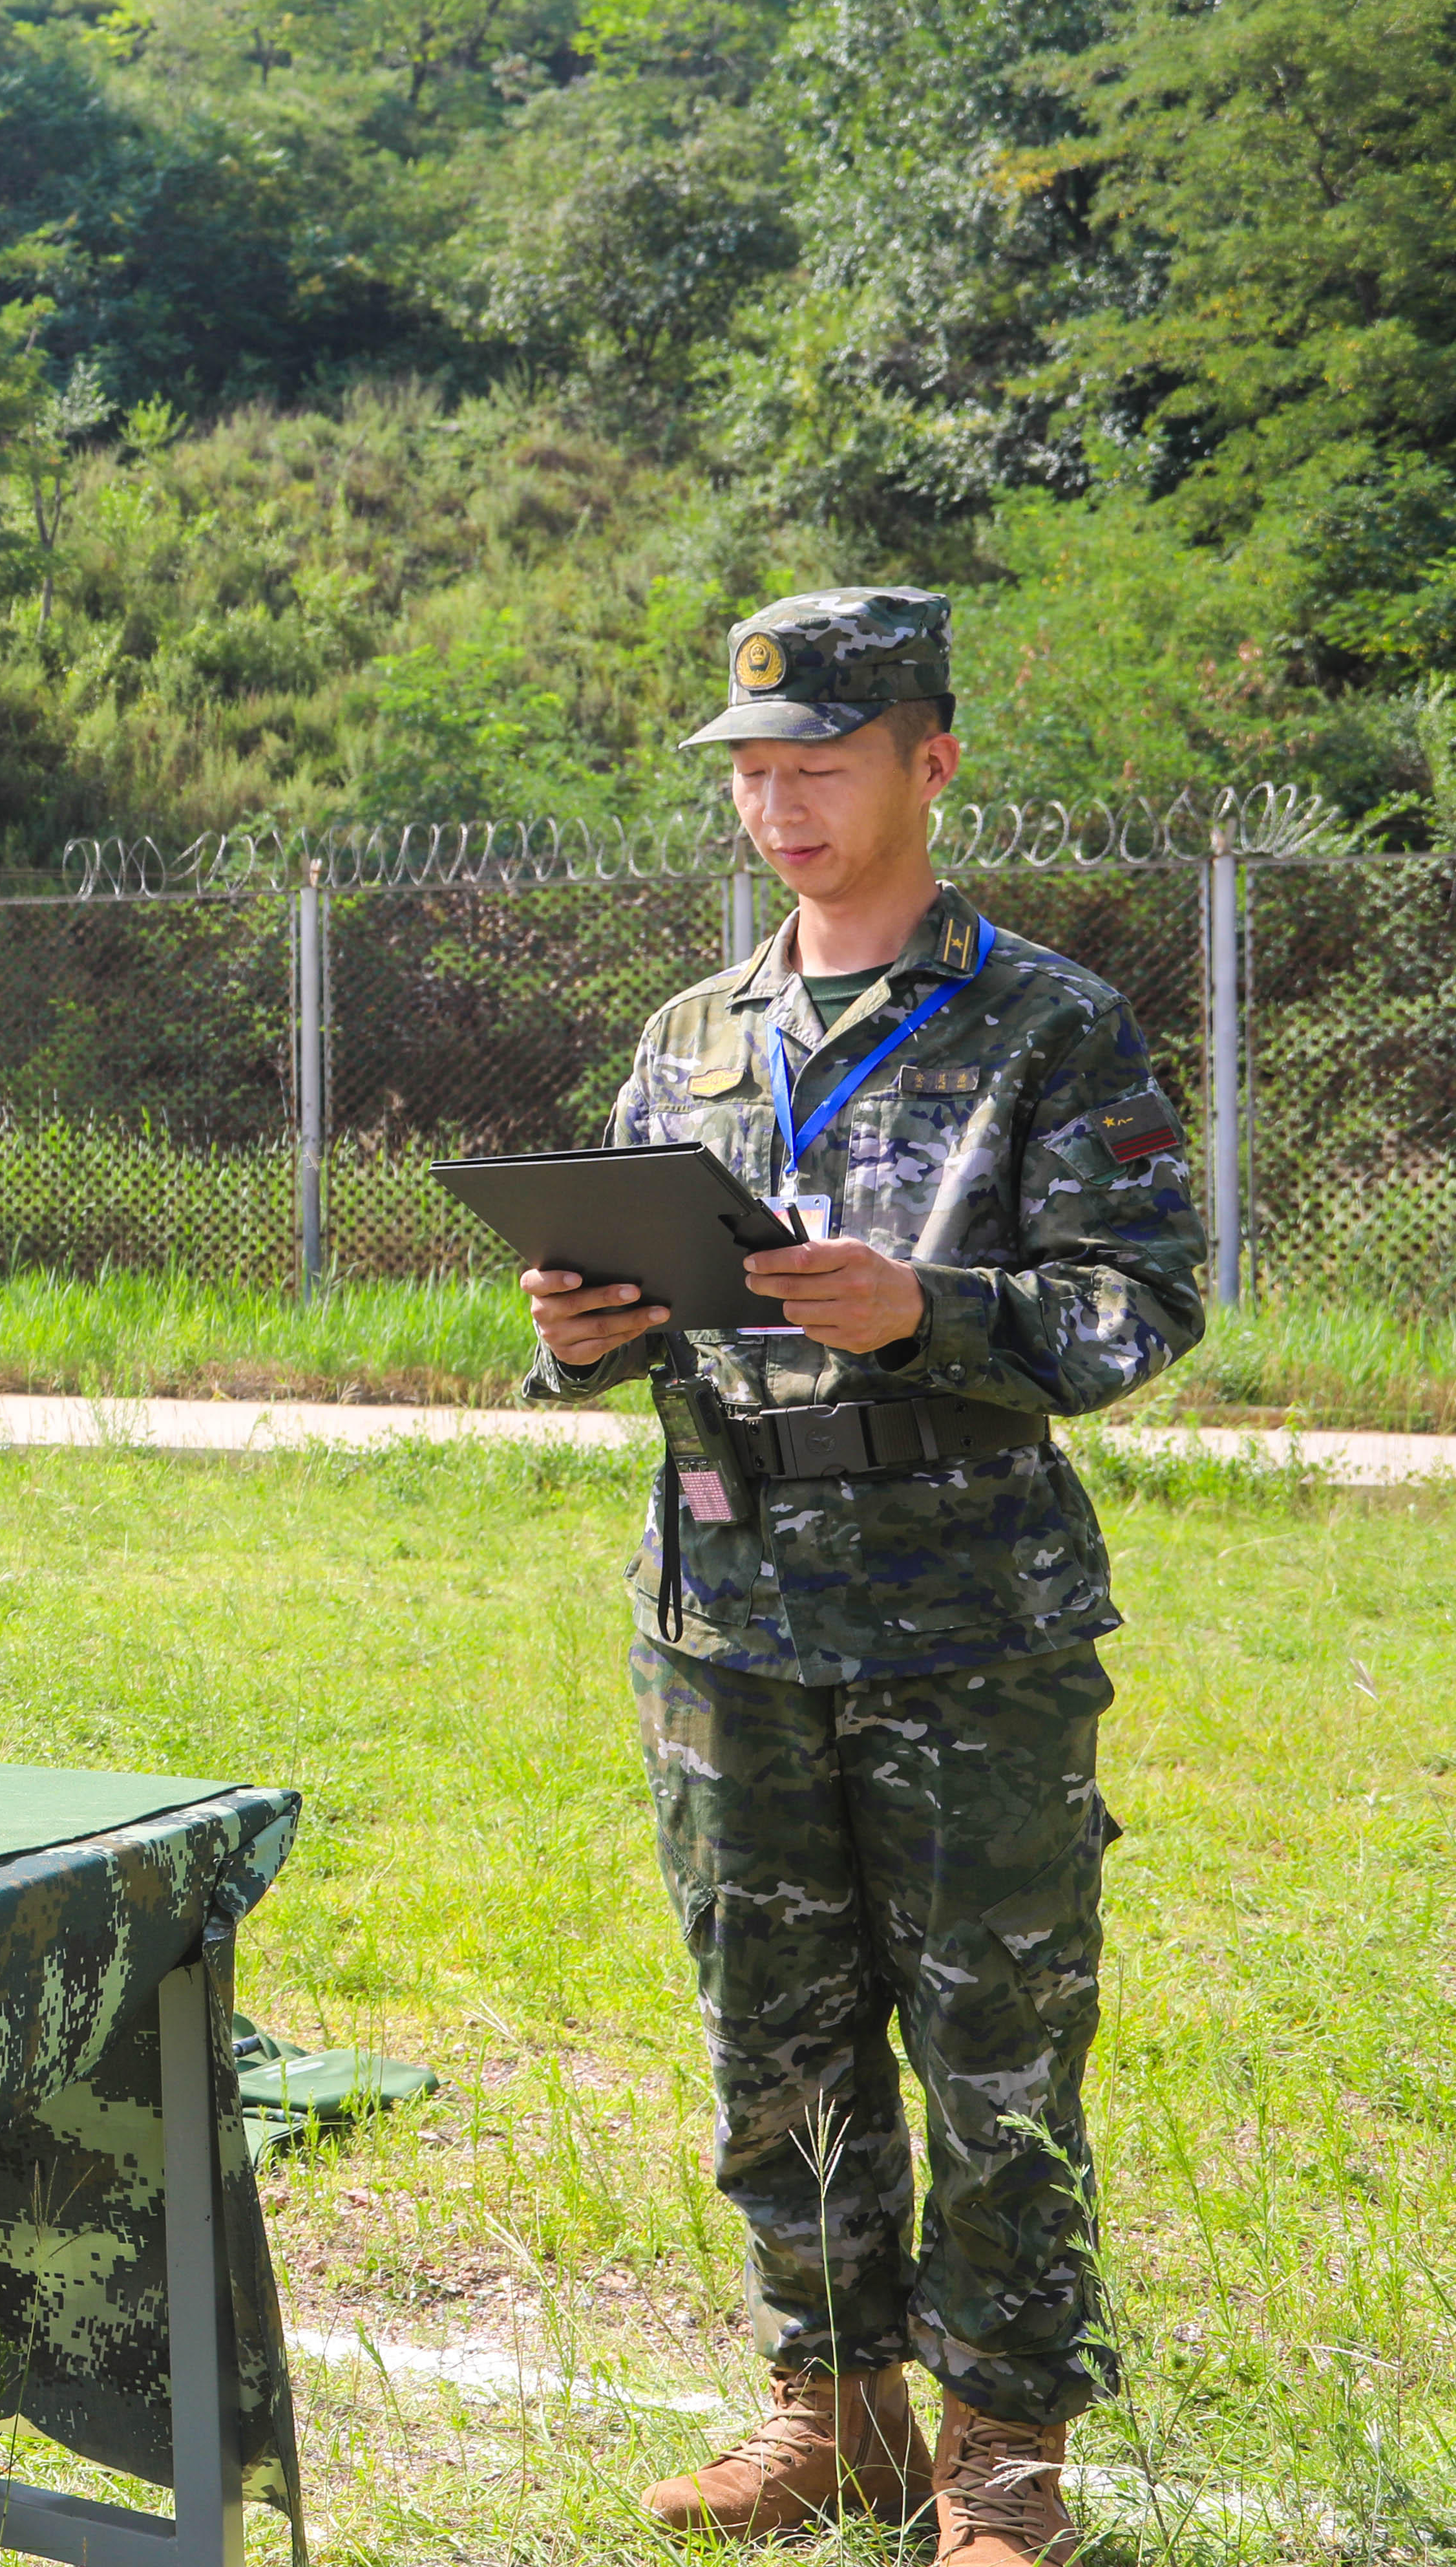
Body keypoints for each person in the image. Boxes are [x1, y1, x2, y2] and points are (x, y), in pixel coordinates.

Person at [519, 590, 1202, 2567]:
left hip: (965, 1620)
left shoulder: (1047, 1020)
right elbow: (637, 1304)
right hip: (722, 1614)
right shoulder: (688, 1034)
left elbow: (1136, 1302)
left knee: (992, 2041)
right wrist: (578, 1329)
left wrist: (930, 1310)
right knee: (768, 2030)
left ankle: (1000, 2471)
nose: (776, 800)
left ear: (930, 759)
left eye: (817, 759)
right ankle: (826, 2413)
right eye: (748, 769)